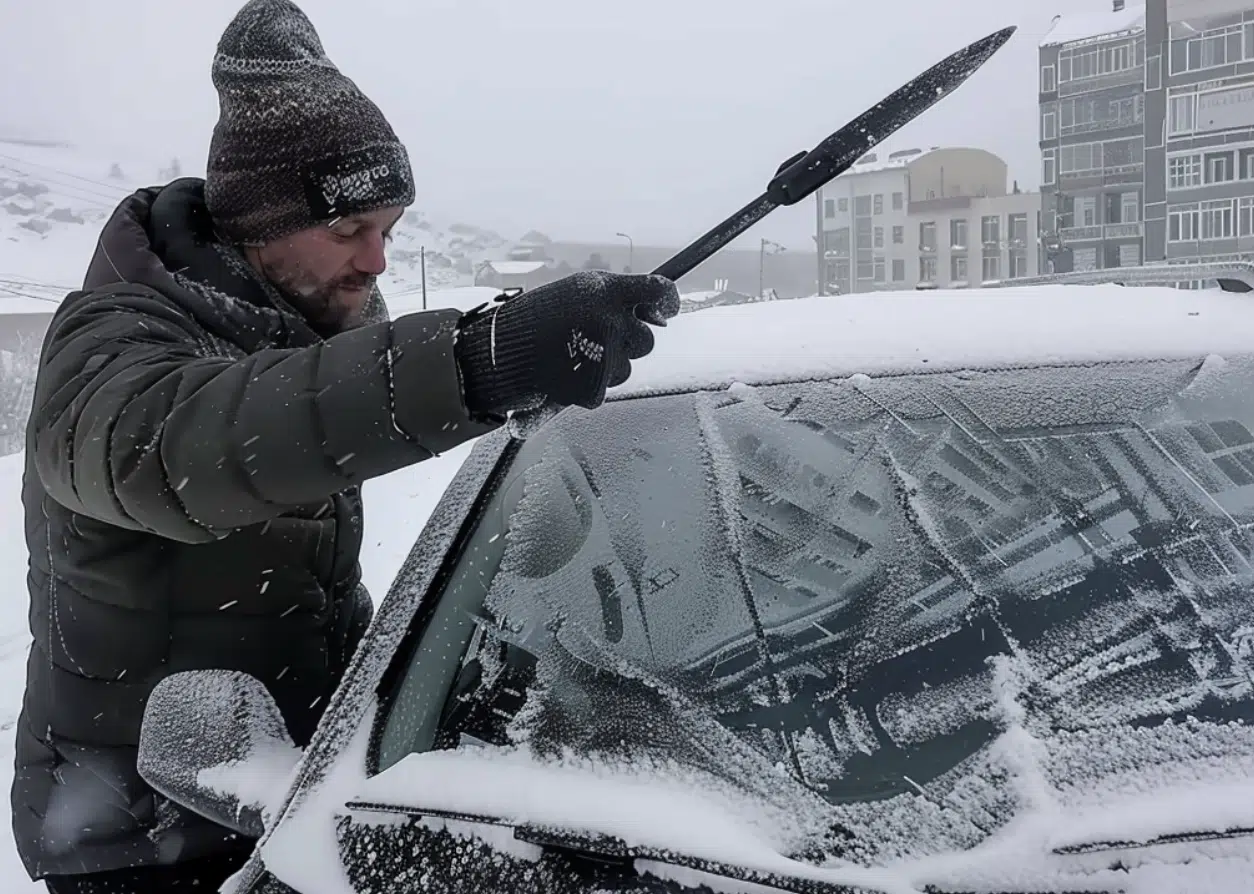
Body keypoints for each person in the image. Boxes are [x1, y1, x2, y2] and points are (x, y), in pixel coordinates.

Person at [12, 1, 679, 892]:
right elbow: (163, 454)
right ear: (255, 221)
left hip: (294, 796)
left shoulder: (300, 338)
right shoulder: (115, 333)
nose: (376, 261)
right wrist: (473, 361)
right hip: (142, 837)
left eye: (389, 232)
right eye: (347, 231)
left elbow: (311, 546)